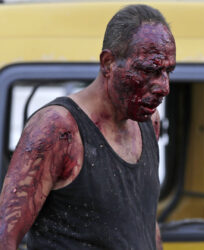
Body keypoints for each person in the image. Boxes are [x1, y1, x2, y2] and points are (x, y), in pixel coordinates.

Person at [0, 4, 175, 250]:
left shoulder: (149, 123)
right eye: (149, 71)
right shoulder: (58, 130)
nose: (164, 87)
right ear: (108, 63)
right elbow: (4, 236)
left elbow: (145, 222)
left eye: (168, 71)